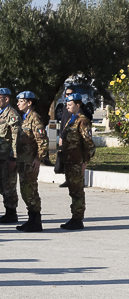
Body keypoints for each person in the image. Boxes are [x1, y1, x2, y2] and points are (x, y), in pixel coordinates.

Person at [58, 93, 96, 230]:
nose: (67, 107)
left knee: (77, 191)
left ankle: (77, 219)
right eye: (66, 104)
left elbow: (89, 144)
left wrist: (85, 162)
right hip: (69, 161)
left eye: (70, 104)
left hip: (77, 162)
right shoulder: (72, 119)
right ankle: (74, 217)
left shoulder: (82, 120)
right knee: (73, 190)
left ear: (78, 105)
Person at [15, 91, 49, 231]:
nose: (18, 103)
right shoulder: (25, 118)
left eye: (21, 101)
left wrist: (38, 158)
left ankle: (36, 221)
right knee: (25, 190)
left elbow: (42, 141)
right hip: (23, 161)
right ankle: (31, 219)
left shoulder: (34, 118)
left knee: (31, 190)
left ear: (29, 102)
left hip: (30, 161)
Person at [0, 88, 22, 223]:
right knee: (1, 185)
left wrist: (13, 157)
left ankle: (11, 212)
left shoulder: (12, 115)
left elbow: (16, 138)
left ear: (6, 99)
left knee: (9, 185)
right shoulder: (0, 114)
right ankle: (8, 210)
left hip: (8, 157)